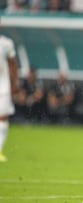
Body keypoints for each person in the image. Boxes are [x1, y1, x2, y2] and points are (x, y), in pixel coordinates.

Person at [0, 34, 19, 162]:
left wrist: (14, 83)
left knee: (2, 118)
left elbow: (12, 64)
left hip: (3, 87)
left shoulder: (6, 43)